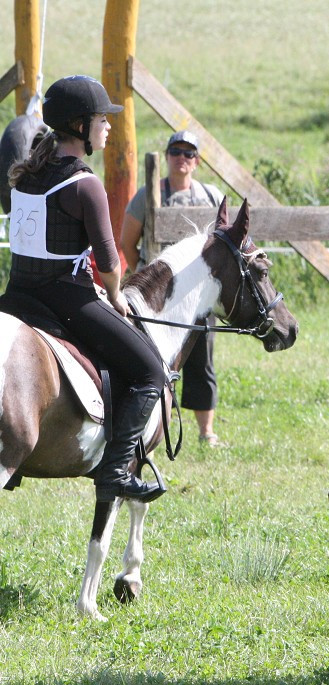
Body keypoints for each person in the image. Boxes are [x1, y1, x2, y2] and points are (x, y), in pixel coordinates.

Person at [5, 75, 167, 502]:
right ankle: (117, 471)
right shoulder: (84, 183)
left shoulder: (25, 176)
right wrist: (115, 297)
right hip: (66, 302)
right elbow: (109, 263)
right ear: (80, 125)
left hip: (16, 297)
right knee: (151, 371)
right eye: (101, 118)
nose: (108, 126)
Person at [119, 130, 226, 447]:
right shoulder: (148, 194)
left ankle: (206, 431)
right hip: (158, 299)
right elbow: (128, 243)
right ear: (167, 157)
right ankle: (152, 424)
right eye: (176, 151)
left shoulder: (211, 196)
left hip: (199, 297)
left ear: (197, 161)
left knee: (202, 361)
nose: (182, 158)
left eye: (189, 153)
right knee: (154, 360)